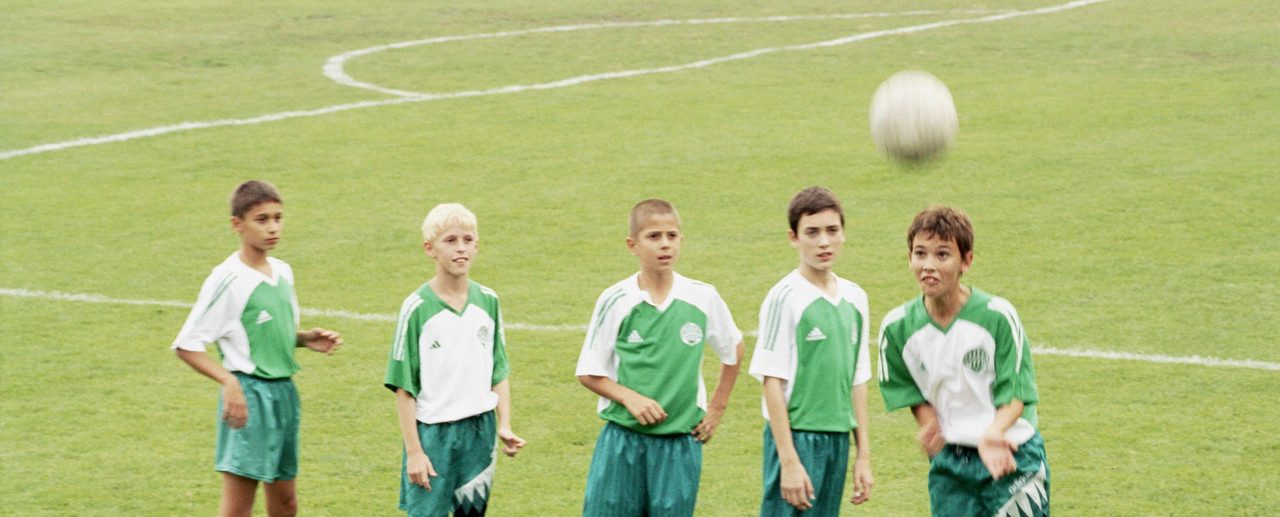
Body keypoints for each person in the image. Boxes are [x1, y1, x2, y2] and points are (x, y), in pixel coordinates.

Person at [172, 180, 343, 517]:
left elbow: (258, 330)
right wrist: (230, 383)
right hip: (249, 398)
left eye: (278, 218)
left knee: (286, 504)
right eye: (262, 220)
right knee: (238, 510)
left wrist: (303, 338)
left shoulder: (282, 272)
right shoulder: (227, 279)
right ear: (238, 224)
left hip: (284, 394)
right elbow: (187, 345)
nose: (273, 228)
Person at [575, 199, 745, 517]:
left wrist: (718, 406)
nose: (664, 244)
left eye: (672, 235)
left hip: (680, 444)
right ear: (633, 245)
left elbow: (733, 348)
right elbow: (588, 371)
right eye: (654, 236)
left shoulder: (702, 297)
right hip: (623, 441)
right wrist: (630, 398)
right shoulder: (616, 300)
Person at [877, 205, 1049, 516]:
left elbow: (1016, 393)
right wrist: (929, 423)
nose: (929, 265)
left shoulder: (998, 317)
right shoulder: (897, 329)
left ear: (966, 261)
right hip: (951, 465)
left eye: (942, 255)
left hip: (1010, 453)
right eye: (920, 253)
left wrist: (994, 434)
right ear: (909, 258)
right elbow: (909, 390)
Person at [385, 203, 526, 517]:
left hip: (479, 432)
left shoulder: (488, 302)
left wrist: (504, 423)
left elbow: (498, 368)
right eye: (450, 241)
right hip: (434, 436)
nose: (461, 248)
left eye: (468, 240)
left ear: (477, 245)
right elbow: (404, 387)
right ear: (430, 248)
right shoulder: (417, 308)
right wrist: (414, 452)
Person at [748, 187, 874, 516]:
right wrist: (788, 461)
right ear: (793, 237)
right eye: (812, 233)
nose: (823, 242)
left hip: (836, 440)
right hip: (797, 438)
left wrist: (863, 455)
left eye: (832, 231)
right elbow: (771, 381)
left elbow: (858, 380)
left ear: (843, 234)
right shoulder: (784, 297)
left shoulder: (856, 298)